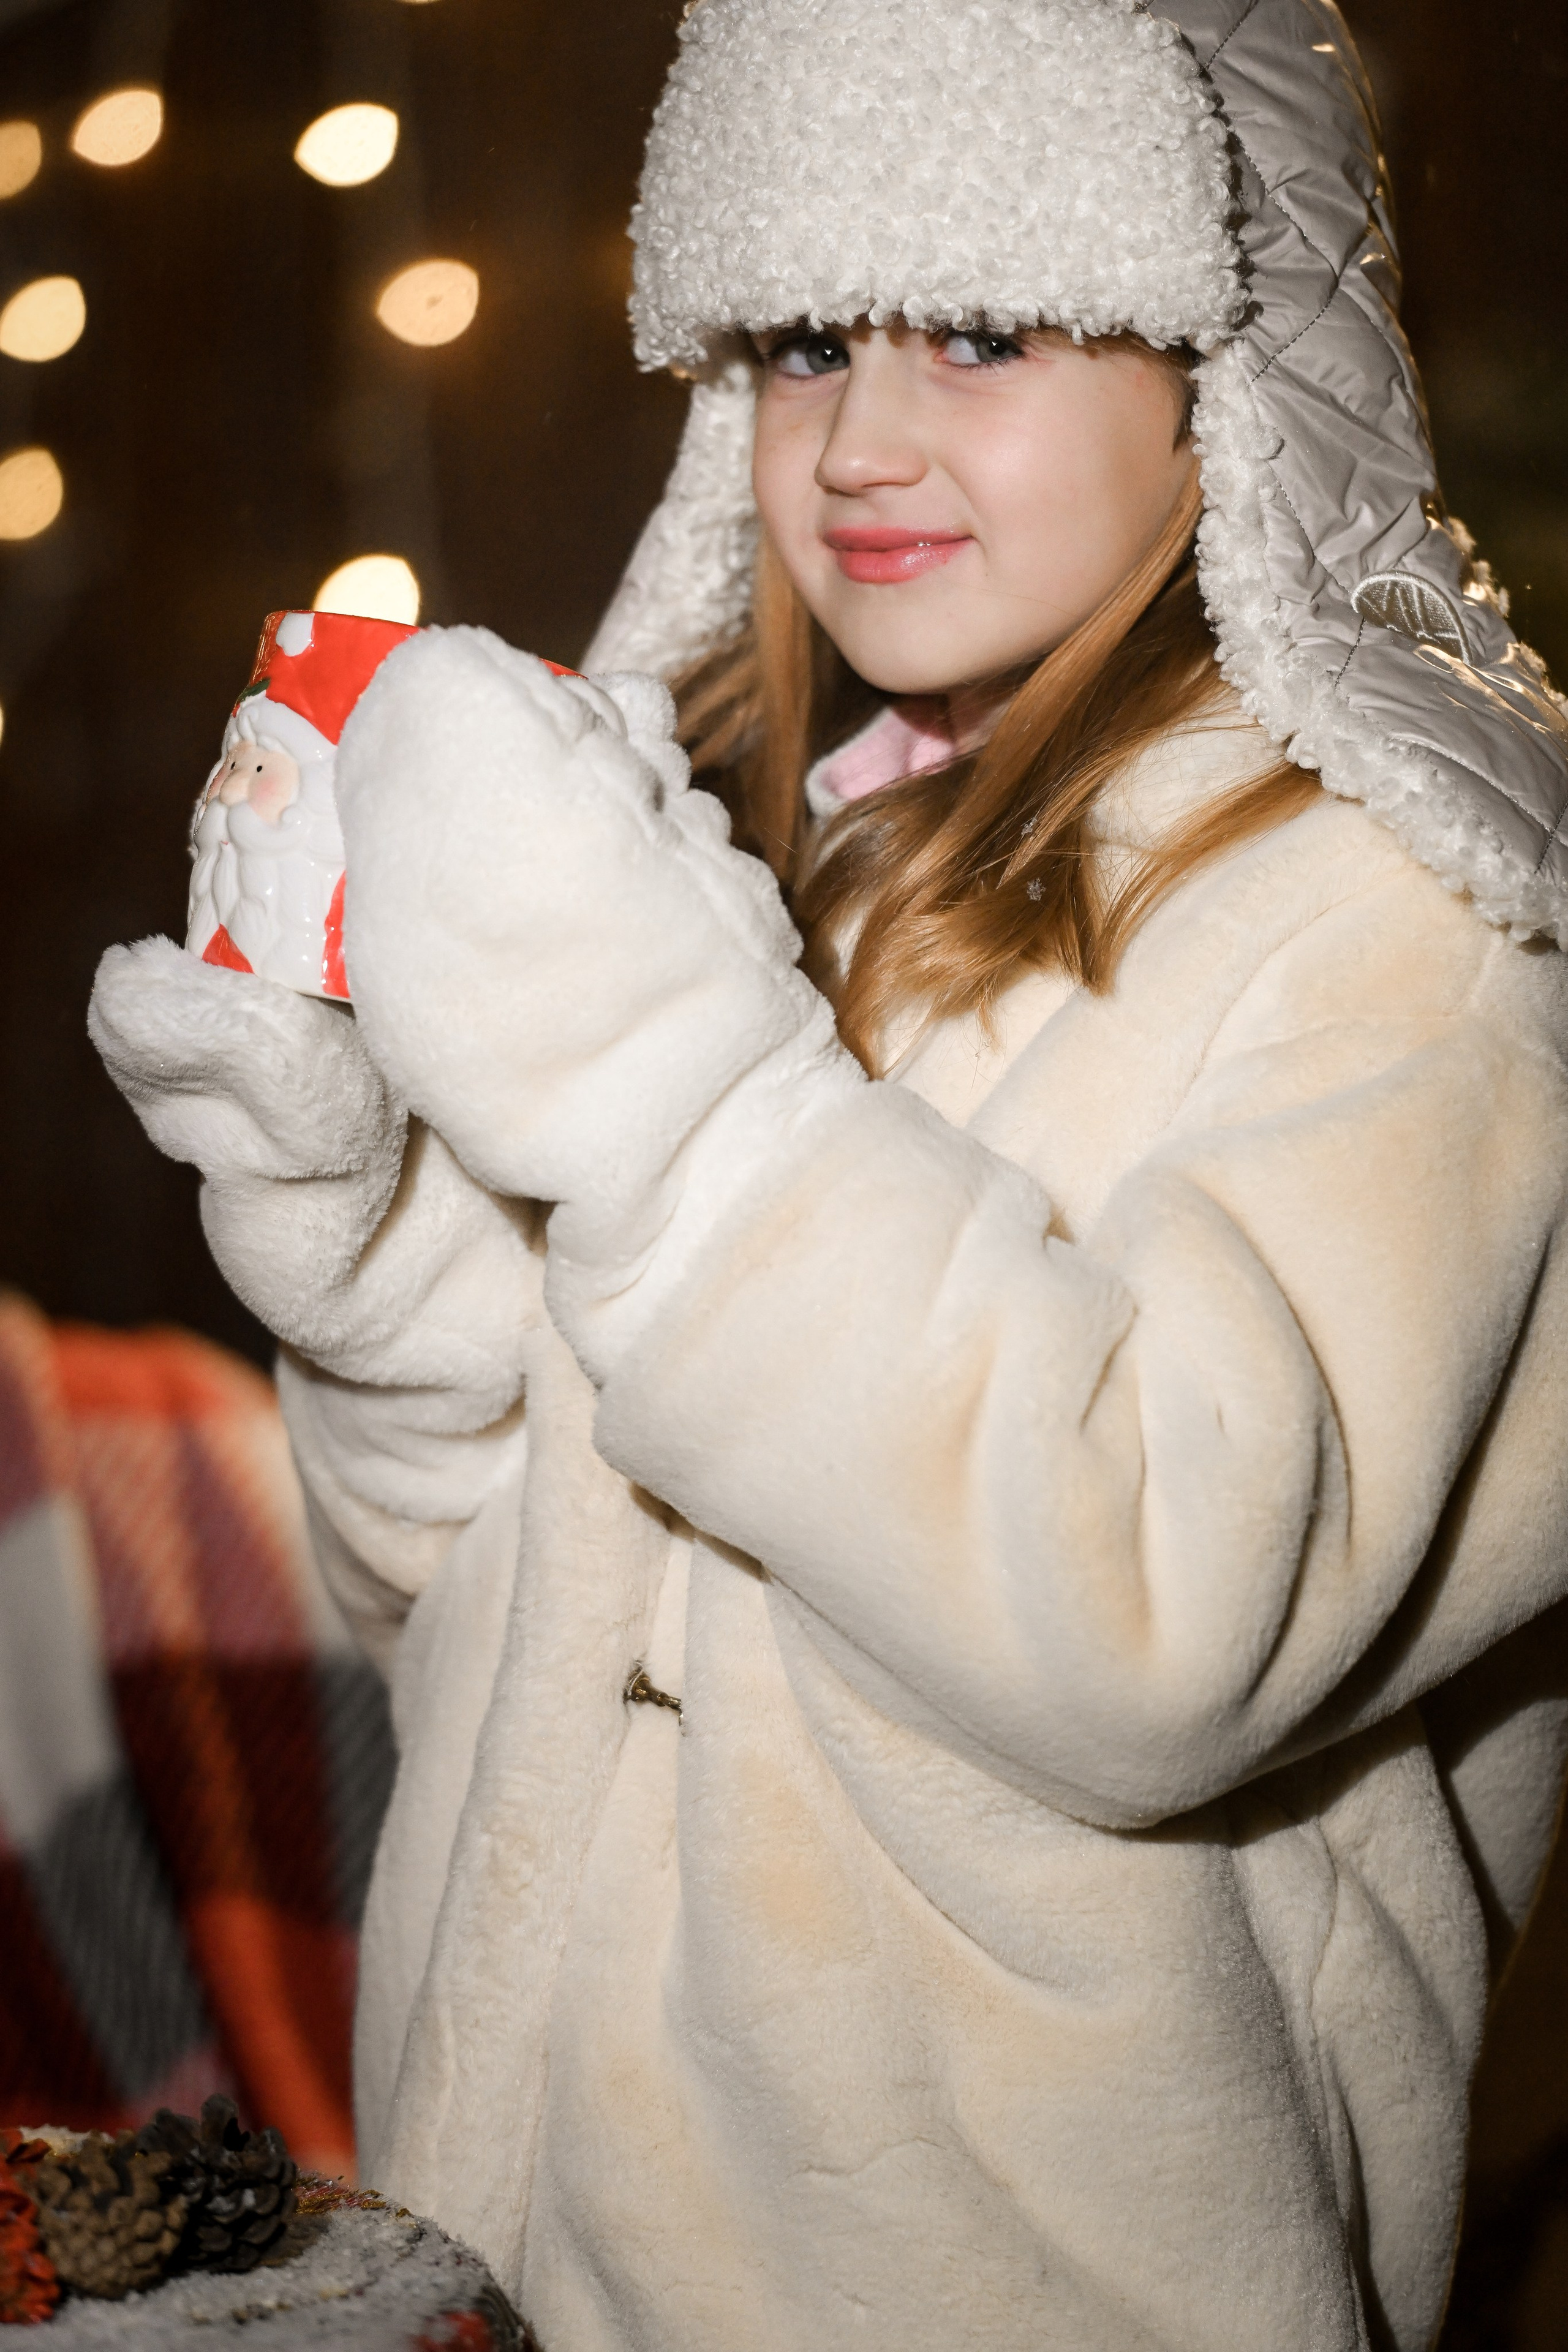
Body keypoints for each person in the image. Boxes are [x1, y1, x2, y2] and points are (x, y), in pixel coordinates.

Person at [88, 0, 1568, 2345]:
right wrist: (388, 1277)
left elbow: (1166, 1612)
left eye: (978, 327)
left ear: (1223, 363)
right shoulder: (772, 849)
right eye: (792, 343)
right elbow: (468, 1619)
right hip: (544, 2238)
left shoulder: (1413, 944)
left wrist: (665, 1093)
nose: (857, 441)